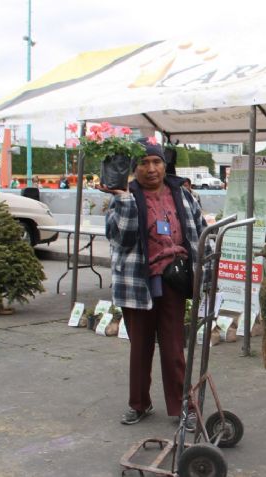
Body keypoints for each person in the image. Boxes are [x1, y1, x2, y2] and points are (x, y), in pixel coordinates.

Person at [98, 138, 206, 427]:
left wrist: (202, 269)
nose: (151, 168)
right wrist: (122, 200)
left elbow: (200, 230)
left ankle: (184, 407)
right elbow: (123, 238)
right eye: (143, 163)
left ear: (164, 164)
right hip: (137, 282)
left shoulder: (182, 195)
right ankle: (139, 404)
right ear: (134, 168)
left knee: (173, 349)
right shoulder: (124, 196)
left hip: (174, 278)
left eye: (156, 161)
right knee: (140, 348)